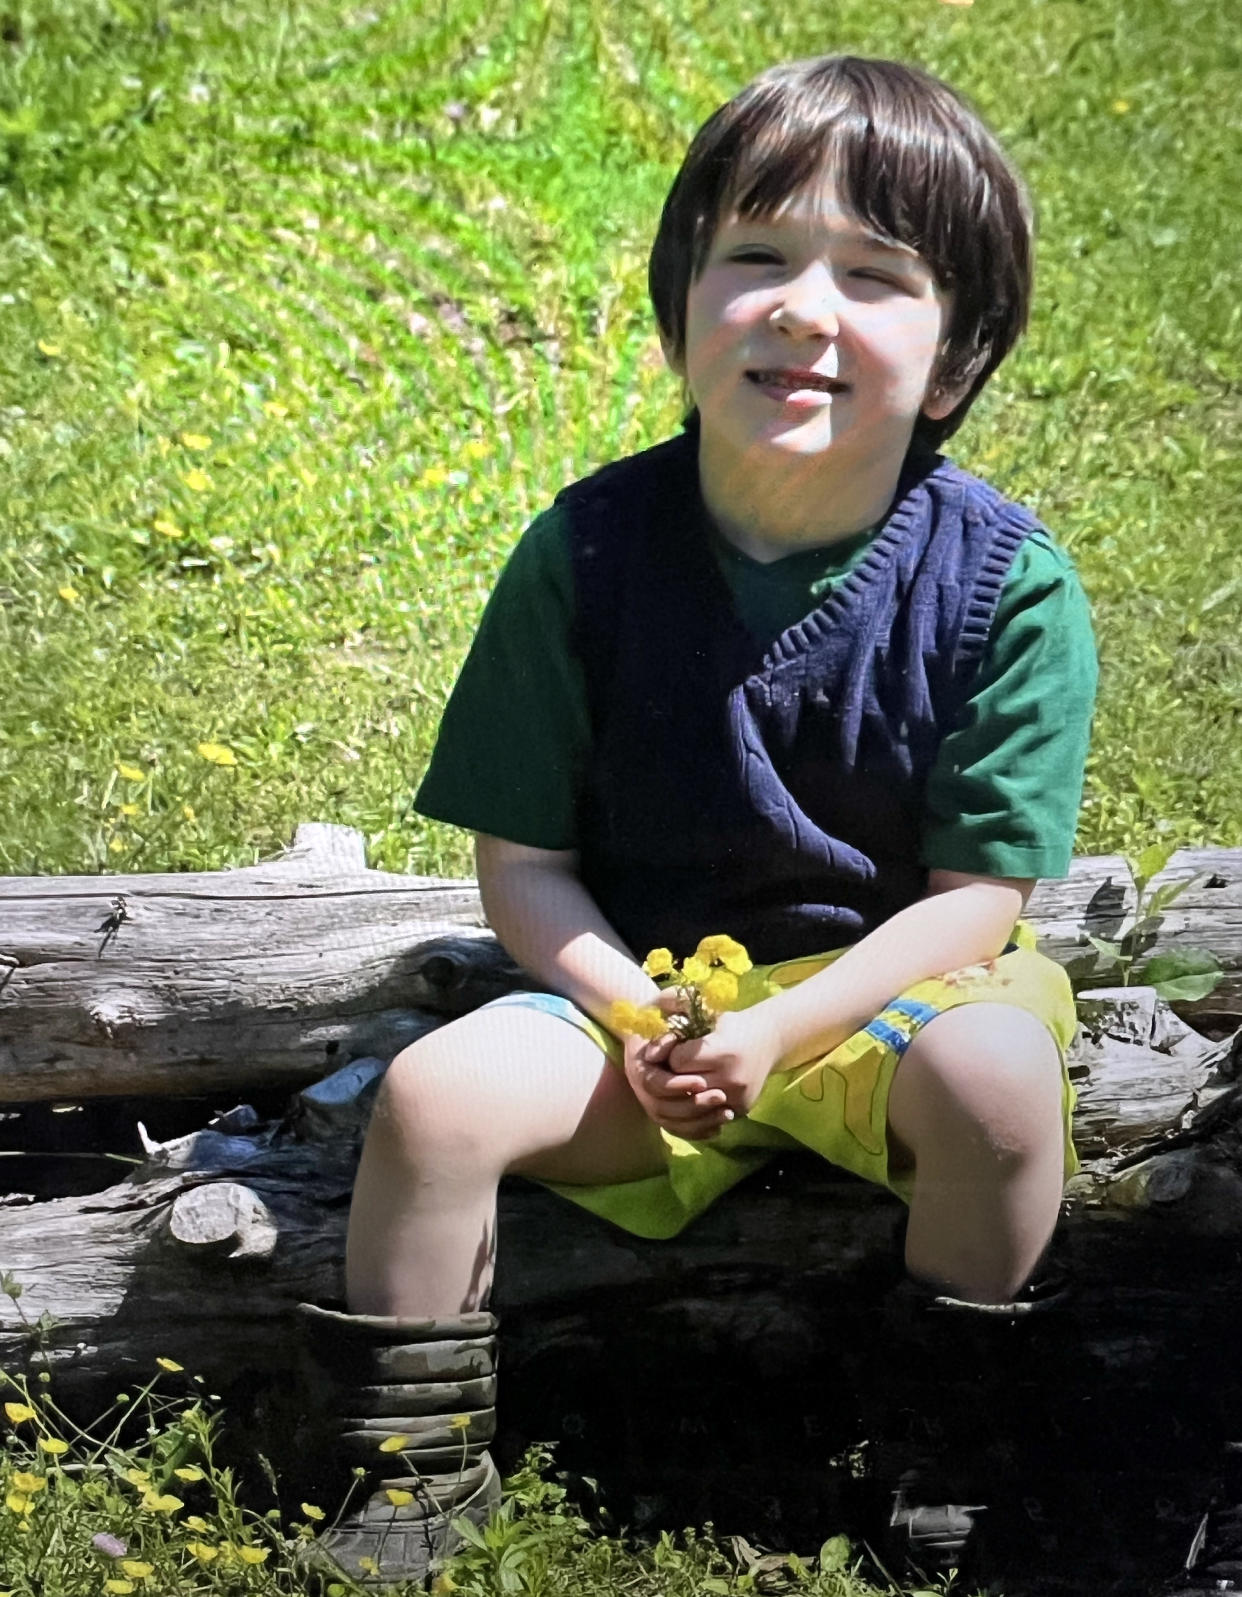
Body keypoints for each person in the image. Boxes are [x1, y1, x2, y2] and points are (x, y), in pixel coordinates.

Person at [299, 53, 1097, 1586]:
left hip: (893, 999)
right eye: (755, 256)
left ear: (955, 356)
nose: (804, 307)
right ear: (679, 309)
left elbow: (976, 901)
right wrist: (643, 1012)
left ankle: (954, 1464)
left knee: (1002, 1087)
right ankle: (404, 1472)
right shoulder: (586, 553)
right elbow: (521, 864)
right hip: (642, 998)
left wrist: (786, 1040)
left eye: (873, 276)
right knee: (435, 1099)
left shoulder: (1007, 584)